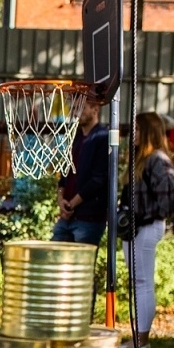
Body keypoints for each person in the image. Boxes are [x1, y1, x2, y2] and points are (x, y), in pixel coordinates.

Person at [122, 111, 174, 348]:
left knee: (143, 283)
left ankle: (141, 341)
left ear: (148, 132)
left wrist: (152, 213)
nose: (132, 134)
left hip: (147, 228)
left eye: (137, 129)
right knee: (138, 282)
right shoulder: (140, 159)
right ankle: (137, 338)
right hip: (134, 229)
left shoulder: (157, 159)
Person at [52, 96, 108, 244]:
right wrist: (61, 199)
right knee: (55, 259)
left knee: (82, 265)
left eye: (81, 108)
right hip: (68, 216)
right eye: (74, 108)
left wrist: (72, 204)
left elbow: (98, 179)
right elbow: (65, 172)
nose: (76, 112)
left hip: (89, 216)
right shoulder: (75, 136)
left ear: (95, 109)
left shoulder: (103, 137)